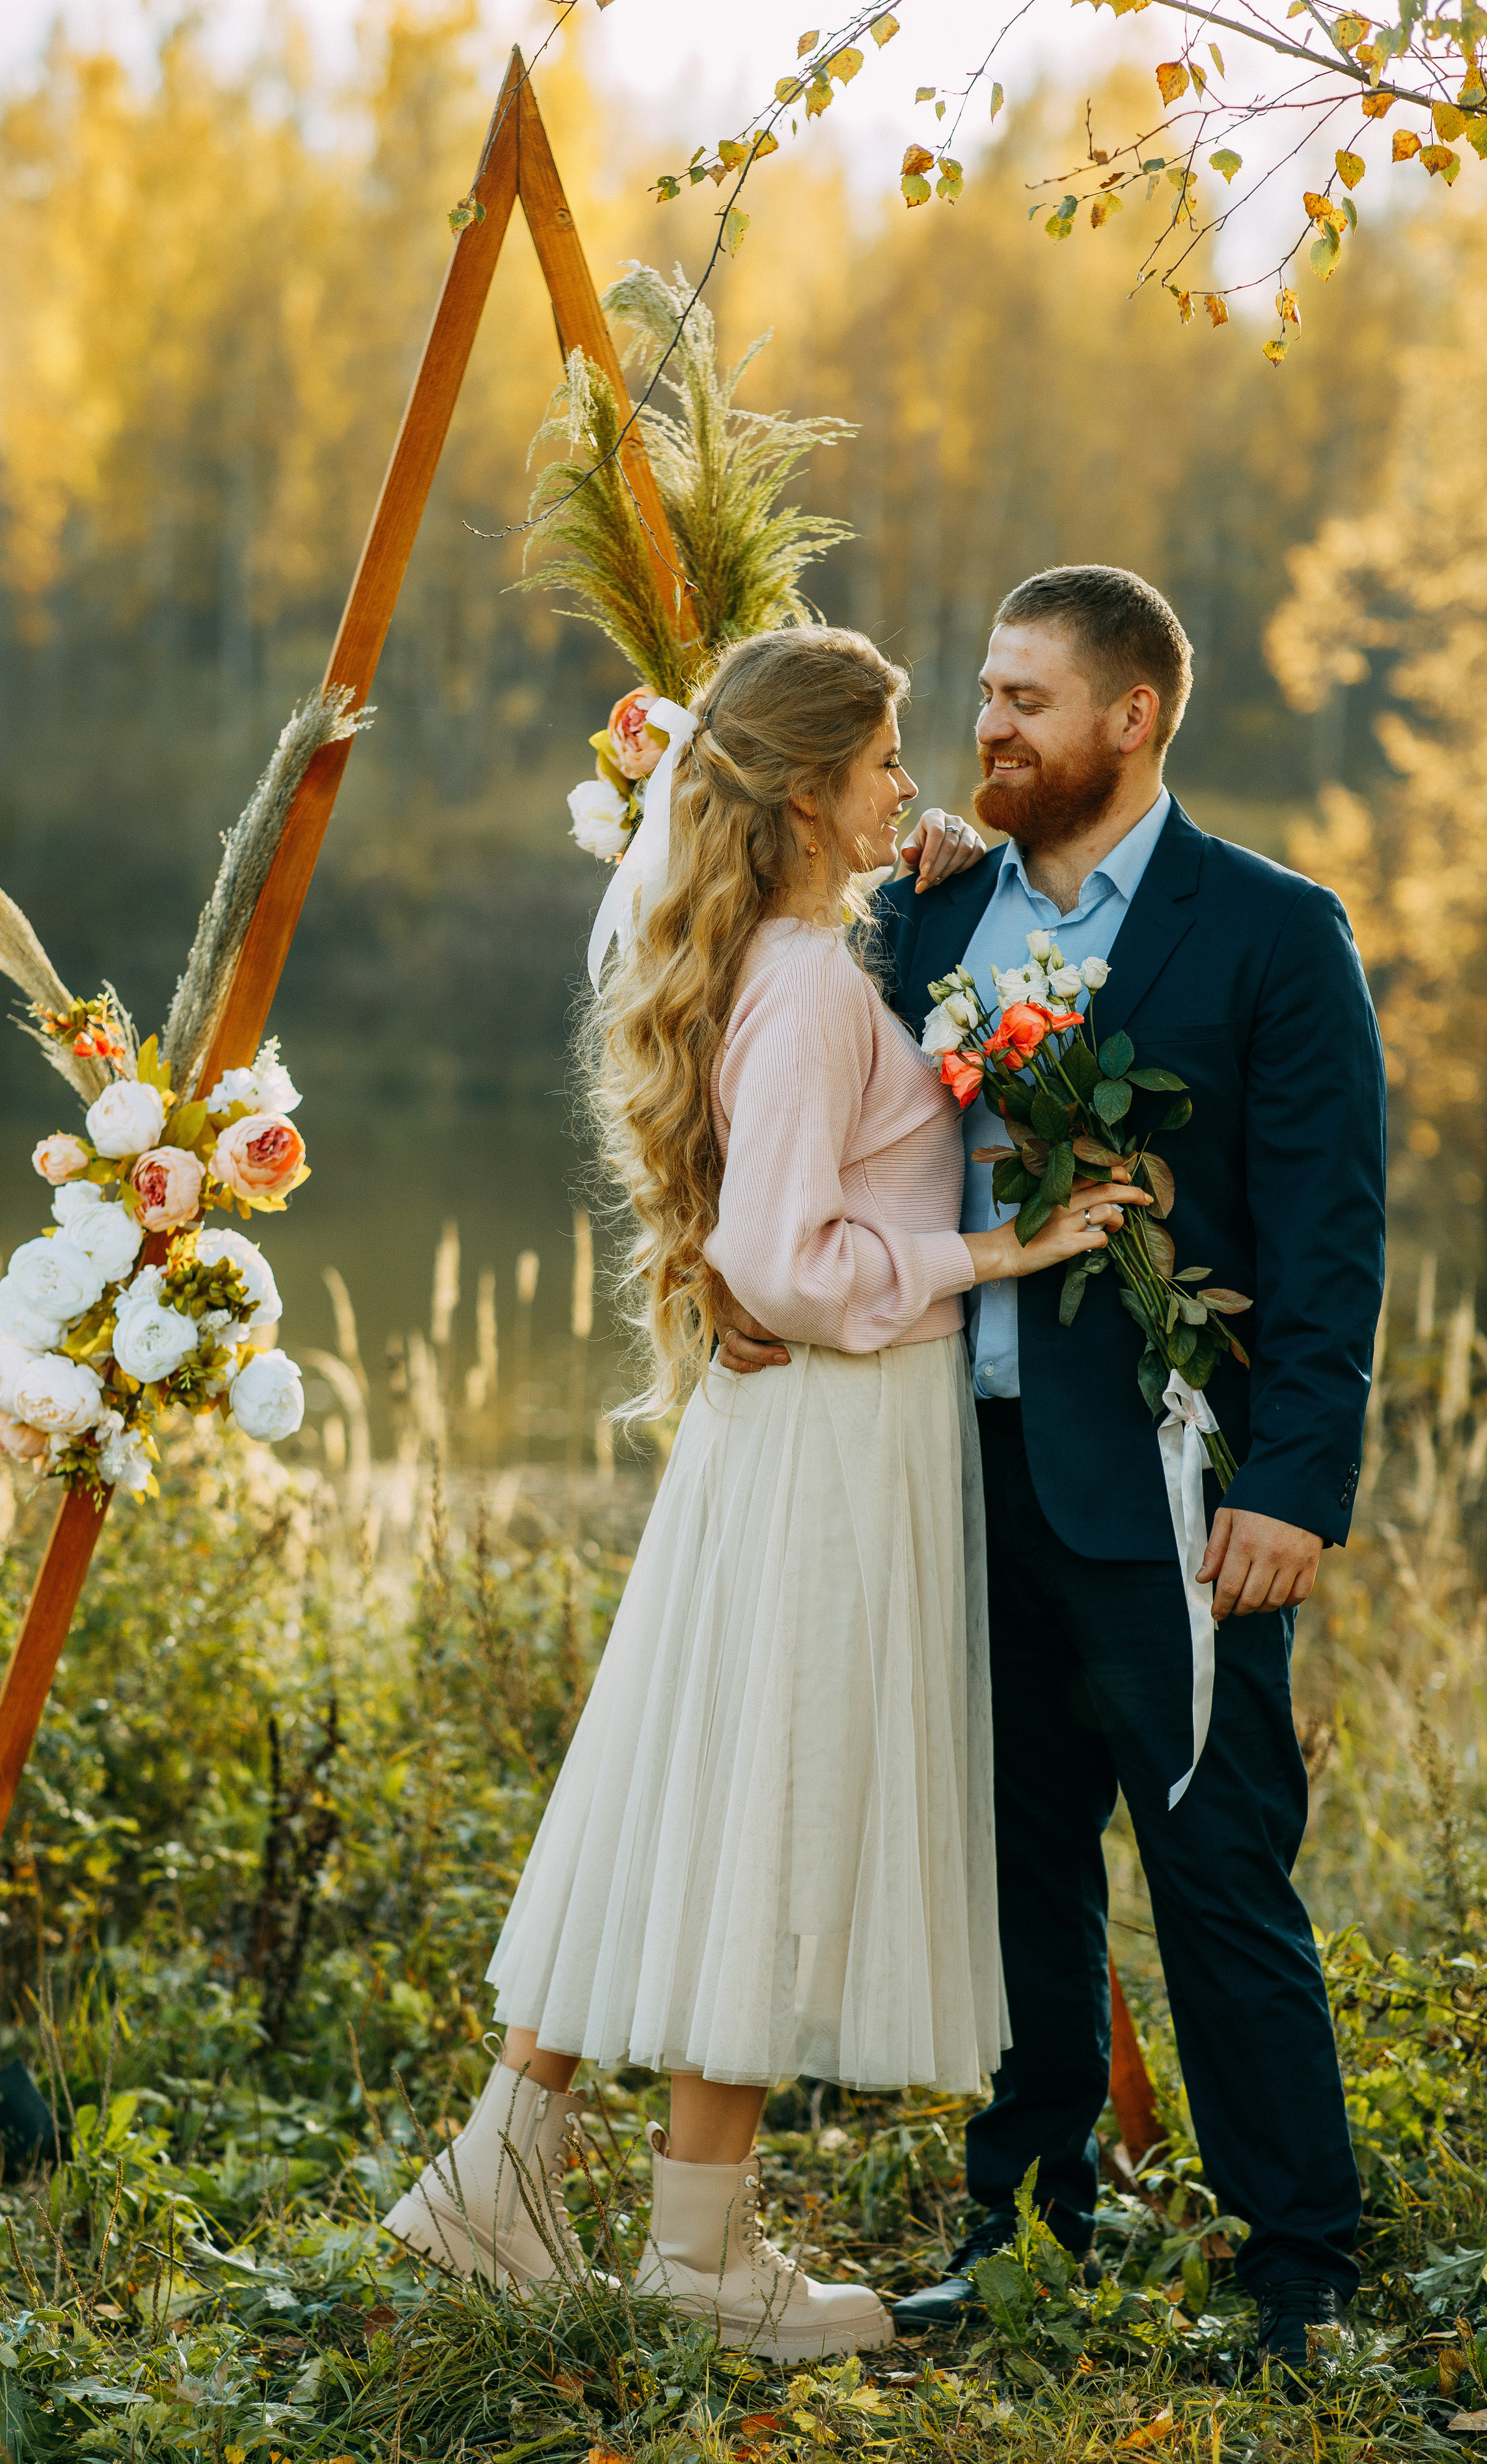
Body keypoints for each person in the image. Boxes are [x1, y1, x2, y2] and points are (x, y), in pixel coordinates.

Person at [380, 624, 1145, 2361]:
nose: (916, 781)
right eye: (886, 758)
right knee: (770, 1804)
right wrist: (991, 1243)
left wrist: (926, 884)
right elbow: (784, 1259)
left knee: (701, 1780)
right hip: (832, 1422)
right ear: (810, 788)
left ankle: (506, 2170)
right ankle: (701, 2260)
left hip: (814, 1429)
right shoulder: (802, 981)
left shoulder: (803, 947)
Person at [718, 566, 1386, 2375]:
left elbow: (1332, 1241)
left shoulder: (1271, 934)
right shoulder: (921, 923)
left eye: (1024, 700)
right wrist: (733, 1288)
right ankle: (1019, 2240)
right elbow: (808, 1133)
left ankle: (1298, 2261)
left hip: (1178, 1499)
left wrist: (1294, 1484)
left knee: (1220, 1871)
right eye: (985, 697)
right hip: (956, 1478)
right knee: (1014, 1876)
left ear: (1132, 717)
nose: (988, 730)